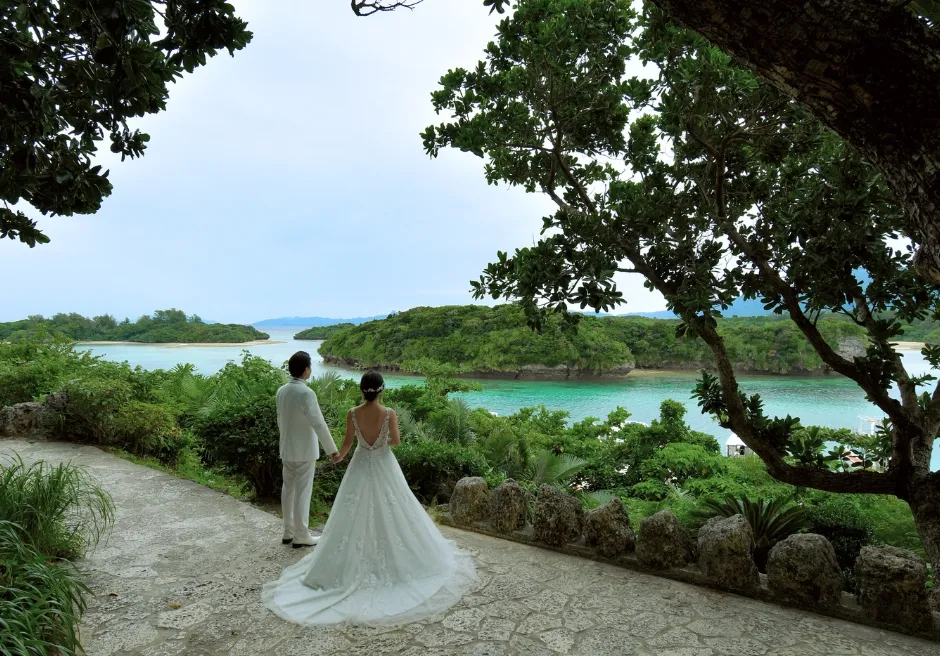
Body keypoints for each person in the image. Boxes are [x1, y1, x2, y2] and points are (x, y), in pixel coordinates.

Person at [262, 370, 477, 626]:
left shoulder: (353, 413)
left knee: (353, 510)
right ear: (381, 389)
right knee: (395, 507)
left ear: (362, 390)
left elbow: (347, 443)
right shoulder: (389, 414)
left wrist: (338, 456)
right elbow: (396, 441)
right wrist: (381, 441)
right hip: (385, 464)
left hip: (360, 464)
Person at [276, 351, 342, 549]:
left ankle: (288, 532)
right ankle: (301, 535)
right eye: (310, 366)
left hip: (287, 448)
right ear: (306, 370)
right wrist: (332, 450)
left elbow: (280, 420)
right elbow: (318, 423)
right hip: (304, 451)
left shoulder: (281, 391)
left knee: (288, 489)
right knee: (303, 492)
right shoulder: (306, 393)